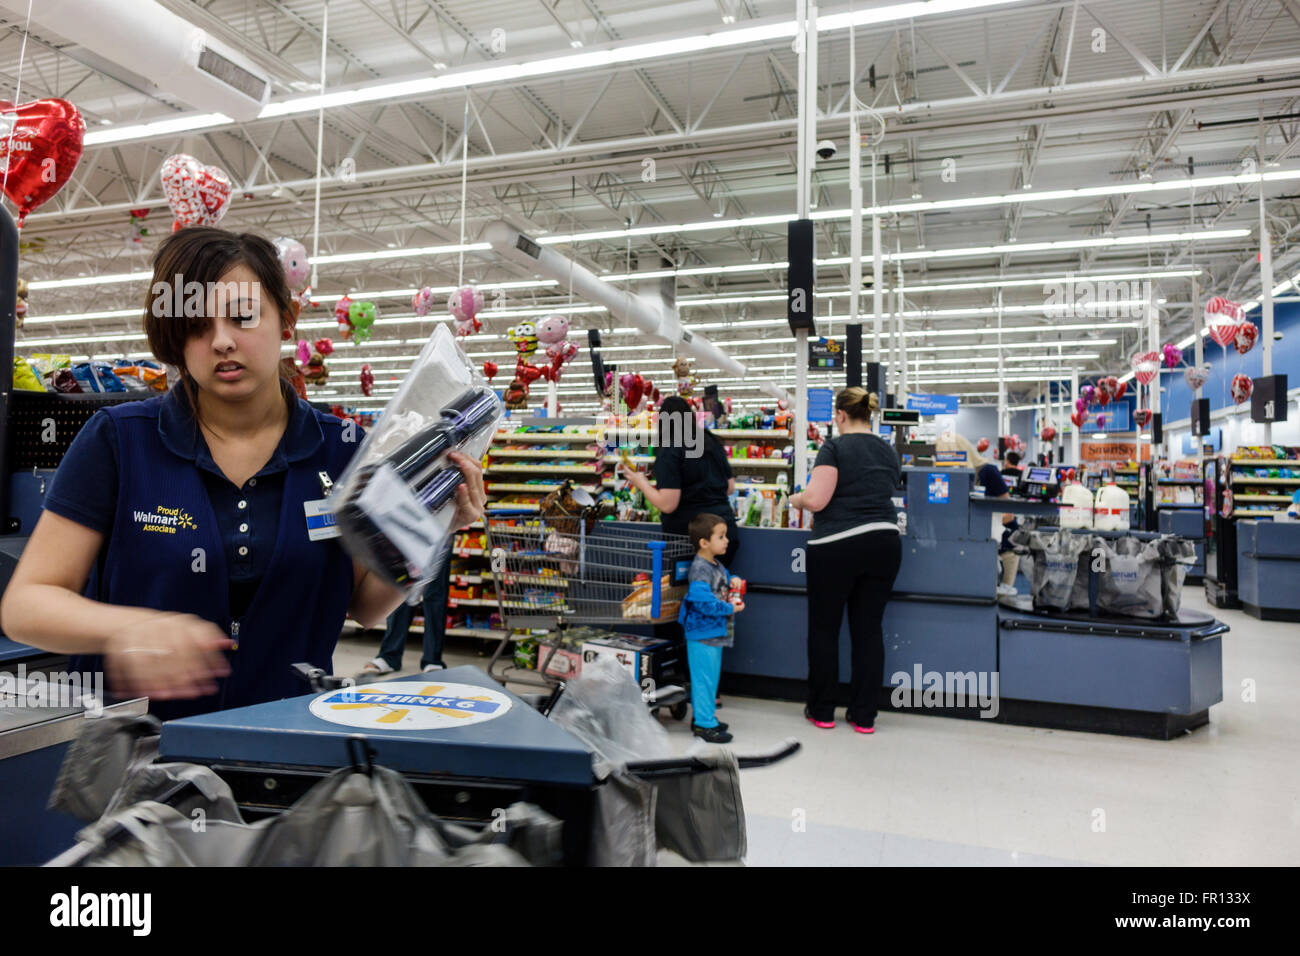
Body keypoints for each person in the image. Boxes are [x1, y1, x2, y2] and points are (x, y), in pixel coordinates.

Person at [0, 227, 486, 720]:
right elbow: (26, 605)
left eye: (243, 316)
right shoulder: (120, 442)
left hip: (286, 752)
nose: (222, 341)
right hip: (138, 761)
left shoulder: (343, 451)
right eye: (196, 325)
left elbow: (366, 604)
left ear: (286, 319)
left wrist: (435, 526)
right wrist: (123, 628)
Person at [788, 388, 901, 734]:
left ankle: (822, 710)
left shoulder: (834, 447)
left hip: (836, 545)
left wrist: (796, 498)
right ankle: (864, 715)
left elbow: (818, 500)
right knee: (868, 631)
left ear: (839, 416)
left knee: (825, 630)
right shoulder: (888, 450)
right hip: (884, 542)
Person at [623, 394, 739, 566]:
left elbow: (668, 504)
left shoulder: (670, 448)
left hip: (690, 539)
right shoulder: (710, 440)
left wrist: (641, 483)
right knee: (717, 587)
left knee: (689, 590)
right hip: (724, 533)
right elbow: (729, 488)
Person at [678, 512, 742, 743]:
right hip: (703, 634)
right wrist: (728, 609)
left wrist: (733, 578)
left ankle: (705, 717)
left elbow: (723, 580)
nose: (727, 541)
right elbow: (702, 601)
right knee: (704, 679)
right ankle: (705, 725)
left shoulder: (716, 564)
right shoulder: (700, 569)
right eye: (721, 536)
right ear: (704, 542)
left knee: (710, 678)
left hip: (714, 633)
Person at [360, 543, 453, 676]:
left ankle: (433, 660)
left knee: (435, 594)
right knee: (403, 587)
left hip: (441, 530)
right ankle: (389, 656)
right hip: (408, 528)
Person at [945, 434, 1019, 595]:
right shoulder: (958, 476)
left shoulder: (988, 472)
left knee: (999, 598)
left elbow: (1009, 514)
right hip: (979, 545)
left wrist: (982, 523)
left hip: (1004, 547)